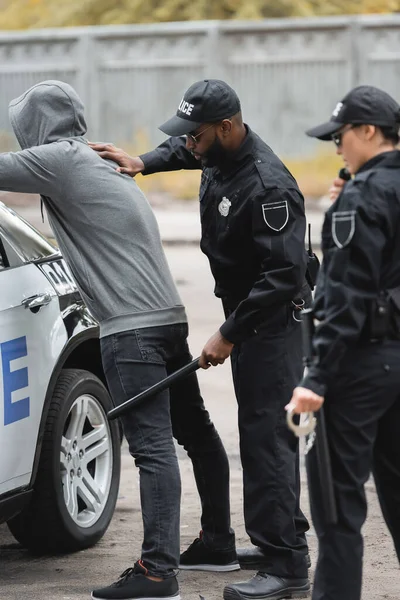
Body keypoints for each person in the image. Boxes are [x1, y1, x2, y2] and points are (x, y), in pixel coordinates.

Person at [0, 80, 236, 600]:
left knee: (152, 449)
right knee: (194, 433)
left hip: (131, 330)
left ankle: (157, 573)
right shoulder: (92, 159)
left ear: (35, 128)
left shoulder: (59, 160)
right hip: (167, 318)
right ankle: (219, 541)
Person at [90, 79, 312, 600]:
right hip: (252, 318)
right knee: (263, 434)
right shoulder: (216, 151)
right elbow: (180, 151)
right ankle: (281, 537)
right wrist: (142, 161)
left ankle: (287, 565)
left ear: (227, 127)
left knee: (267, 439)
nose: (188, 143)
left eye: (196, 134)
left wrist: (227, 335)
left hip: (273, 323)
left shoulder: (268, 185)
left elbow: (283, 276)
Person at [287, 85, 400, 600]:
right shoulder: (368, 190)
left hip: (360, 365)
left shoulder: (363, 195)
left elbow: (348, 295)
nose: (337, 149)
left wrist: (315, 379)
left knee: (336, 508)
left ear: (368, 132)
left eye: (341, 137)